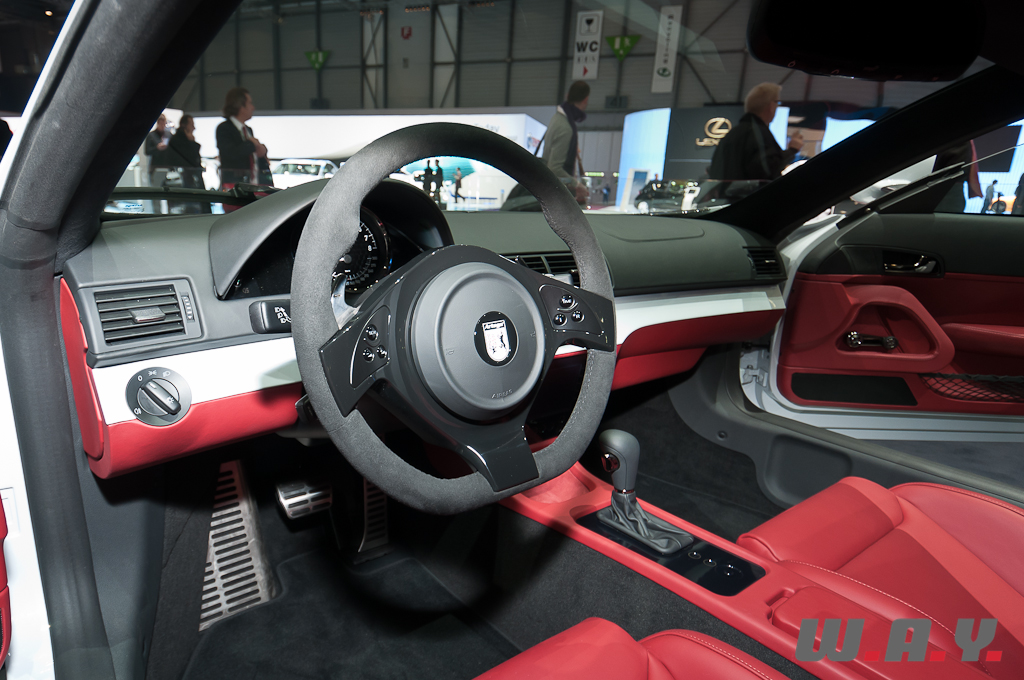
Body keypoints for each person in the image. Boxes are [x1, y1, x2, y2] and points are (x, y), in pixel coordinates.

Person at [708, 82, 804, 183]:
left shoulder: (732, 134)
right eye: (778, 103)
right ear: (771, 106)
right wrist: (792, 150)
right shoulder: (758, 134)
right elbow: (766, 170)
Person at [542, 80, 590, 204]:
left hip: (549, 192)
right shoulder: (565, 127)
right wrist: (577, 185)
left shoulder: (557, 118)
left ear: (567, 96)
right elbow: (554, 168)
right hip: (556, 196)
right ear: (585, 100)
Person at [216, 87, 268, 189]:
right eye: (250, 103)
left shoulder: (248, 130)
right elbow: (230, 154)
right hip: (235, 187)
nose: (253, 107)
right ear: (240, 106)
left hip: (253, 184)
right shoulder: (224, 128)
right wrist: (251, 144)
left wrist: (261, 151)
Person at [155, 114, 204, 189]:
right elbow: (190, 157)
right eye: (191, 125)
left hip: (188, 176)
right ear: (184, 126)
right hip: (185, 177)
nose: (194, 128)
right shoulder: (178, 141)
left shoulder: (175, 140)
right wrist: (192, 143)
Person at [145, 114, 169, 184]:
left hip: (167, 165)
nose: (163, 126)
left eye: (164, 124)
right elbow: (147, 151)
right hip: (156, 166)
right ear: (158, 123)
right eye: (161, 124)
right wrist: (157, 148)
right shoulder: (151, 135)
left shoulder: (168, 134)